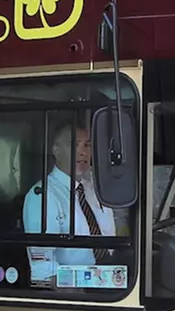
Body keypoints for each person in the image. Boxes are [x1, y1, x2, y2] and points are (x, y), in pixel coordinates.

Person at [21, 119, 124, 289]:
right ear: (56, 149)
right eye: (74, 145)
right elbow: (44, 273)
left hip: (112, 281)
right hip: (78, 293)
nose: (83, 152)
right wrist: (84, 289)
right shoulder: (42, 196)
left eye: (87, 145)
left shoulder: (95, 190)